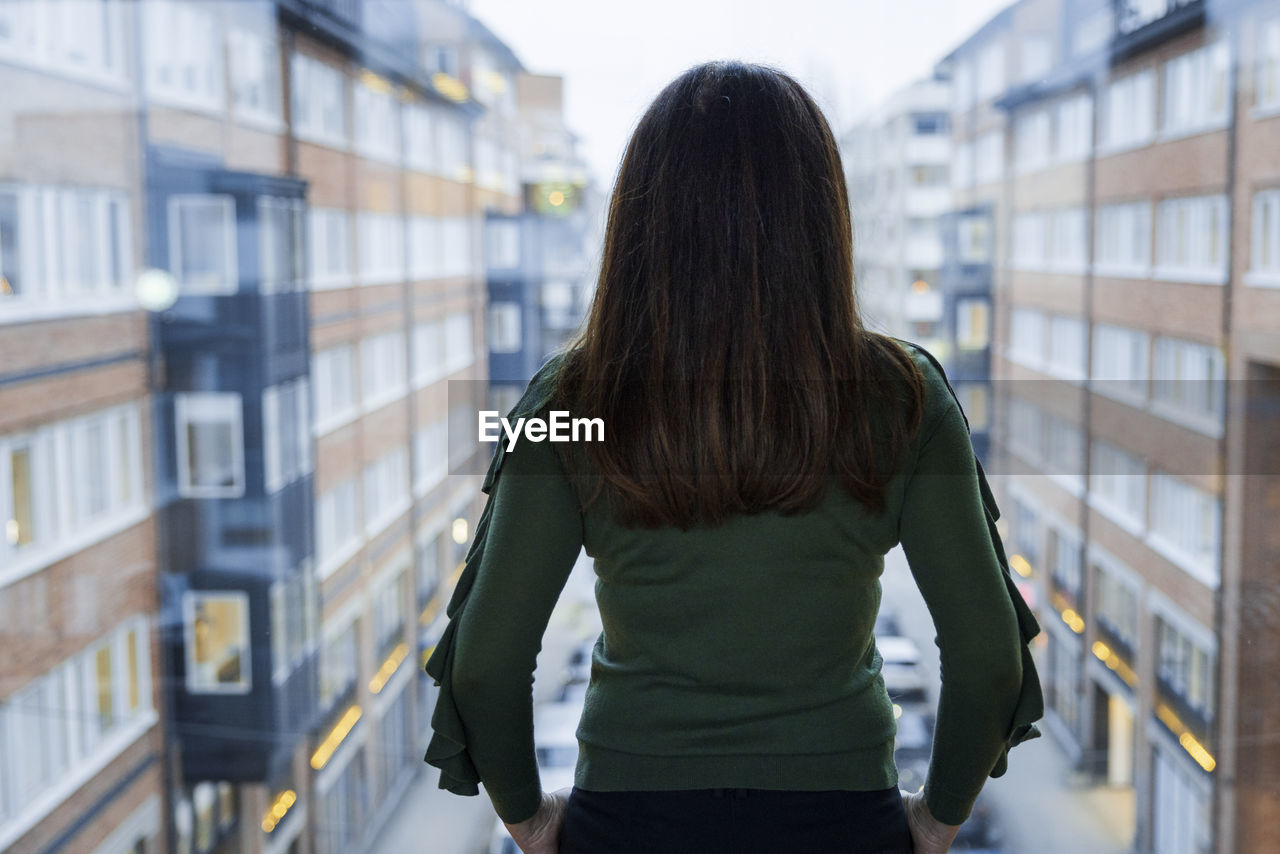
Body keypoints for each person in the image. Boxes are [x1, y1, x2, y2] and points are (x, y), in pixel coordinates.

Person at [424, 60, 1039, 854]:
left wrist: (529, 821)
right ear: (822, 218)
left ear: (640, 221)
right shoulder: (904, 398)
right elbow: (990, 659)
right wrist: (936, 819)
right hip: (841, 822)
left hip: (631, 823)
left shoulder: (572, 404)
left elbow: (485, 663)